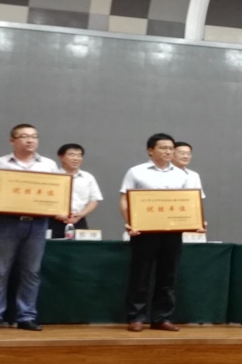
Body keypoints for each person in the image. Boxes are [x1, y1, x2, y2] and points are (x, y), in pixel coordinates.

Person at [0, 124, 59, 332]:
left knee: (31, 272)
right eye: (24, 136)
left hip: (38, 223)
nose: (30, 140)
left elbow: (58, 190)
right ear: (12, 141)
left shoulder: (48, 165)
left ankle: (26, 316)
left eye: (34, 136)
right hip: (6, 222)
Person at [121, 133, 203, 332]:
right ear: (150, 150)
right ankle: (136, 317)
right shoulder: (136, 172)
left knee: (168, 276)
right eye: (163, 148)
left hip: (172, 232)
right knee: (140, 276)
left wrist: (197, 221)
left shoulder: (182, 175)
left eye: (170, 148)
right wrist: (130, 222)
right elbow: (124, 200)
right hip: (144, 232)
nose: (168, 152)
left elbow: (191, 203)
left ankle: (161, 318)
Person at [57, 143, 103, 232]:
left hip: (79, 220)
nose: (76, 158)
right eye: (71, 155)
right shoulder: (53, 176)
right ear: (61, 157)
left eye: (79, 155)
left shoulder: (88, 177)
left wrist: (81, 214)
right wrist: (56, 215)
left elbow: (94, 199)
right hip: (54, 221)